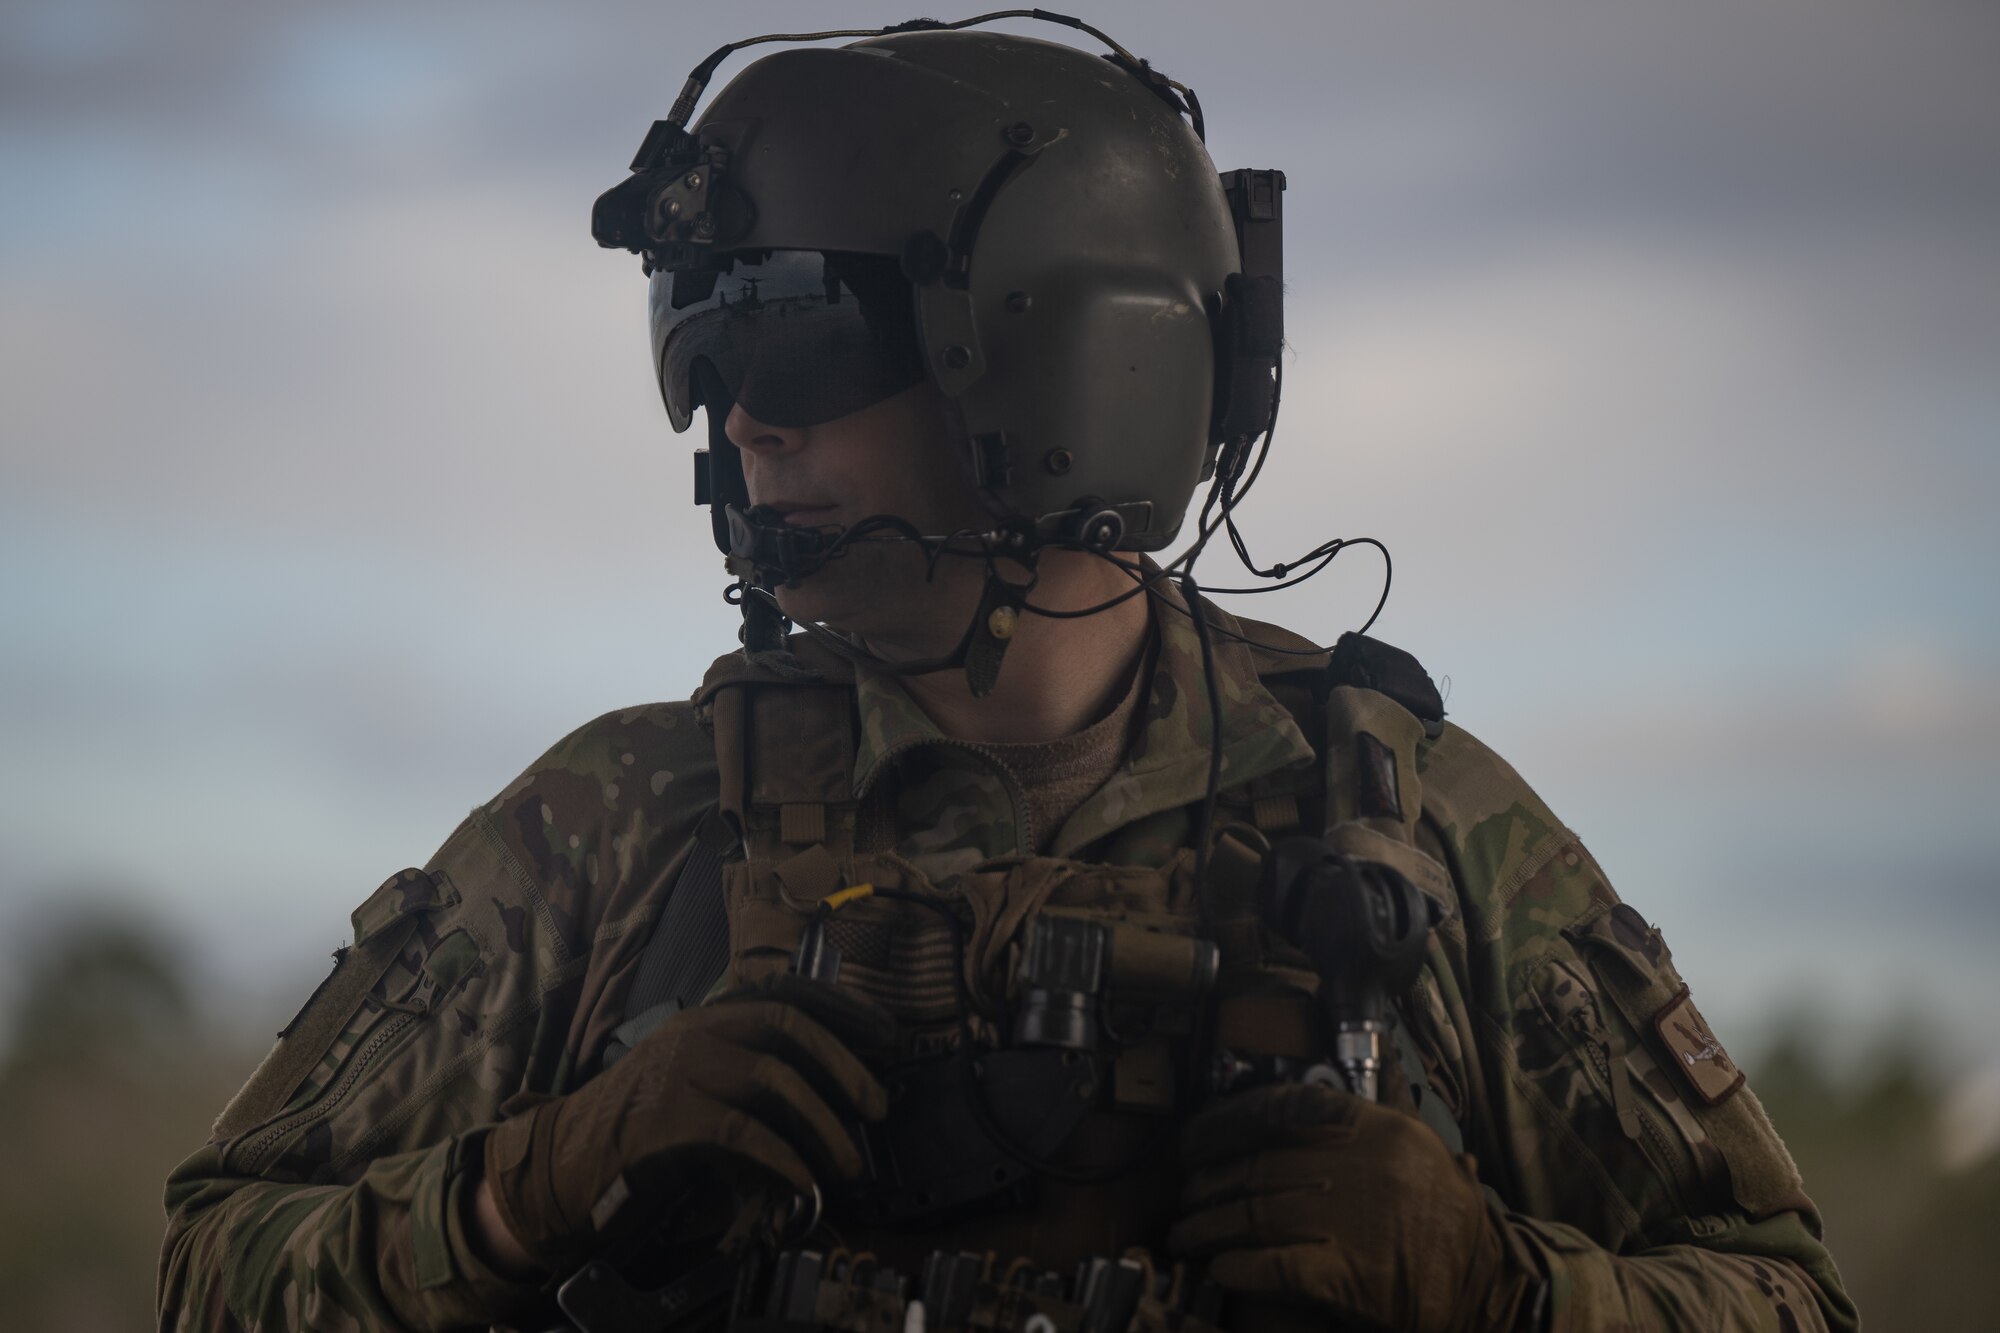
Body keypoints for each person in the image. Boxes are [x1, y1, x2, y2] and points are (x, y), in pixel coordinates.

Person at [158, 16, 1856, 1333]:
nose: (743, 419)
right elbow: (211, 1274)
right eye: (708, 344)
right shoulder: (616, 827)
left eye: (803, 336)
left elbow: (1792, 1298)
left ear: (1054, 357)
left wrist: (1503, 1291)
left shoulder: (1418, 835)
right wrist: (538, 1184)